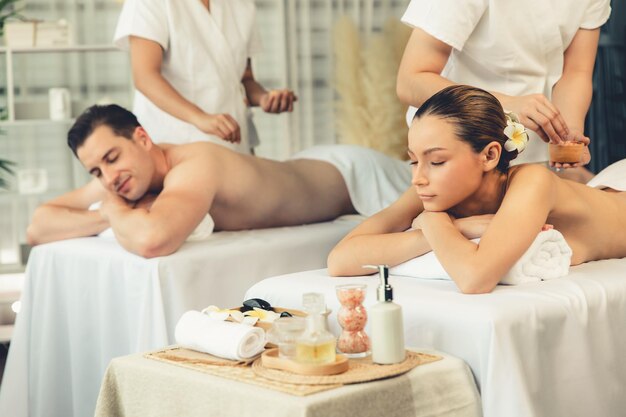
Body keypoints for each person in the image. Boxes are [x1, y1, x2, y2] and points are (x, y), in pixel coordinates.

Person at [327, 85, 626, 294]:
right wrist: (454, 227)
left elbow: (475, 279)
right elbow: (340, 259)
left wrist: (435, 222)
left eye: (437, 160)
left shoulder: (532, 181)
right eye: (414, 160)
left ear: (490, 156)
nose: (418, 177)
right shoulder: (430, 187)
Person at [26, 104, 410, 258]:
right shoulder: (125, 178)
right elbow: (38, 226)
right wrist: (107, 215)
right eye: (95, 172)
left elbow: (151, 239)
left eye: (111, 158)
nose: (108, 179)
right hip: (303, 165)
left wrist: (111, 209)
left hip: (353, 174)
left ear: (143, 139)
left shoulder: (194, 166)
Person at [396, 0, 611, 181]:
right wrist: (506, 104)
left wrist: (568, 134)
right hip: (457, 146)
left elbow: (576, 72)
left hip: (534, 156)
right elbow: (411, 80)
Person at [113, 0, 297, 153]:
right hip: (174, 143)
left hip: (233, 143)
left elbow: (244, 78)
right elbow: (145, 77)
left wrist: (265, 98)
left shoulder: (242, 5)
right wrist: (200, 117)